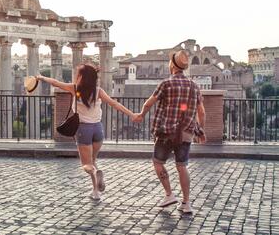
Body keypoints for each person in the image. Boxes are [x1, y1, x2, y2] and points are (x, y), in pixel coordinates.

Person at [37, 63, 140, 200]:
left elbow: (55, 82)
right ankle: (96, 191)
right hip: (98, 129)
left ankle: (96, 174)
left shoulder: (74, 88)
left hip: (83, 130)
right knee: (92, 160)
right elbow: (115, 104)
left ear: (81, 77)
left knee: (86, 165)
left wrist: (41, 77)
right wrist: (132, 114)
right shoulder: (99, 91)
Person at [135, 50, 206, 214]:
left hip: (165, 132)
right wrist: (200, 130)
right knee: (182, 167)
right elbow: (201, 112)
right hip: (186, 133)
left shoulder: (165, 84)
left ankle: (169, 194)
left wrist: (141, 115)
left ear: (172, 65)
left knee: (158, 163)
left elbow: (149, 103)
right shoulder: (194, 86)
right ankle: (186, 203)